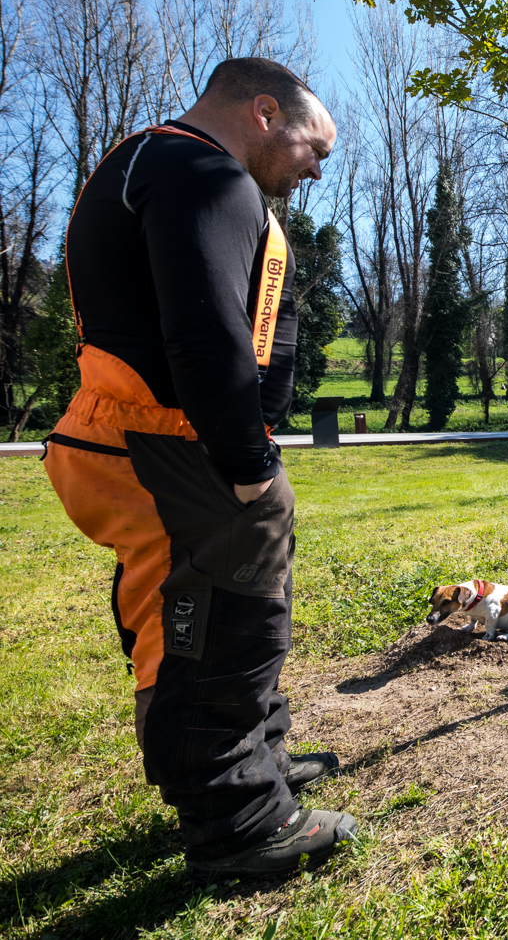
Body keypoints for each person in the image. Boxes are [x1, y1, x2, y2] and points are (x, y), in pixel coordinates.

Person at [41, 58, 356, 878]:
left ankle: (251, 770)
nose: (318, 168)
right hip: (165, 441)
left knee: (183, 625)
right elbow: (204, 328)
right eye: (314, 147)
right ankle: (239, 824)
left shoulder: (160, 162)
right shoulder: (199, 171)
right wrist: (248, 465)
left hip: (146, 437)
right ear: (263, 113)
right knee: (223, 626)